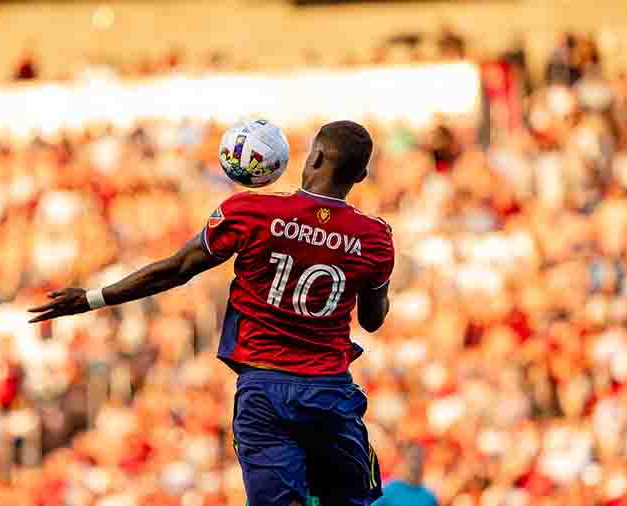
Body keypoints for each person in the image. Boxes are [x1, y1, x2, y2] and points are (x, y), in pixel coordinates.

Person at [29, 120, 395, 506]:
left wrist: (92, 298)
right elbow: (372, 320)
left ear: (315, 156)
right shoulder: (374, 237)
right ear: (361, 174)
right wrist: (367, 279)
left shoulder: (252, 211)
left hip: (263, 392)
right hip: (328, 392)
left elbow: (177, 269)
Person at [372, 443, 438, 506]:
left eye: (419, 459)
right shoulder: (388, 492)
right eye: (412, 458)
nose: (415, 464)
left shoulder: (429, 498)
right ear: (402, 461)